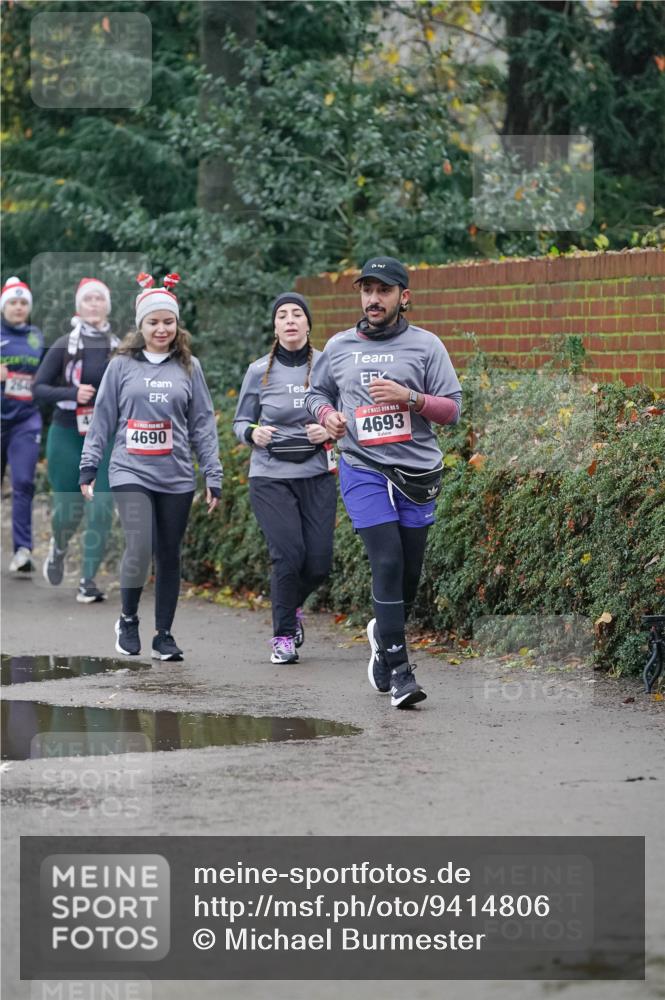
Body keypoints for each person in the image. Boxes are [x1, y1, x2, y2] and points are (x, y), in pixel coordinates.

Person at [306, 256, 462, 708]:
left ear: (403, 297)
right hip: (362, 466)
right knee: (388, 562)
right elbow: (316, 394)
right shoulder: (339, 346)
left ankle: (383, 636)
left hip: (417, 471)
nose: (373, 299)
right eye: (367, 290)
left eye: (384, 291)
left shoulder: (426, 346)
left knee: (408, 577)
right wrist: (328, 416)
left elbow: (452, 409)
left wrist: (410, 397)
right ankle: (400, 673)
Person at [79, 272, 222, 662]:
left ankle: (164, 636)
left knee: (169, 553)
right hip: (130, 469)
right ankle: (128, 619)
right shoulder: (121, 366)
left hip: (176, 474)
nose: (162, 329)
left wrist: (213, 473)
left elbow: (202, 424)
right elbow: (103, 418)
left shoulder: (190, 367)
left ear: (177, 325)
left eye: (168, 322)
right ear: (140, 326)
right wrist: (89, 465)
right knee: (140, 546)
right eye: (154, 322)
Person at [233, 292, 337, 664]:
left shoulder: (328, 365)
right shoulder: (258, 371)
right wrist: (253, 433)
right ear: (275, 327)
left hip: (316, 474)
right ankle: (283, 636)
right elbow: (240, 422)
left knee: (319, 563)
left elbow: (347, 412)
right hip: (270, 476)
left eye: (297, 314)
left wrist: (329, 429)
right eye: (282, 315)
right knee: (288, 555)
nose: (290, 320)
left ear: (308, 323)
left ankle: (290, 607)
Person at [34, 277, 117, 602]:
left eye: (99, 299)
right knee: (68, 509)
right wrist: (72, 393)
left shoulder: (119, 347)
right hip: (67, 432)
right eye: (88, 299)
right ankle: (59, 546)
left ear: (107, 306)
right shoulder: (63, 345)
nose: (94, 304)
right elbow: (38, 388)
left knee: (102, 505)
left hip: (105, 436)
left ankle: (88, 580)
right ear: (78, 307)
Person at [1, 277, 44, 573]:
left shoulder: (36, 337)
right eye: (13, 302)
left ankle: (23, 550)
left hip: (26, 419)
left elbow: (48, 372)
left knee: (24, 482)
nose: (18, 307)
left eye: (23, 303)